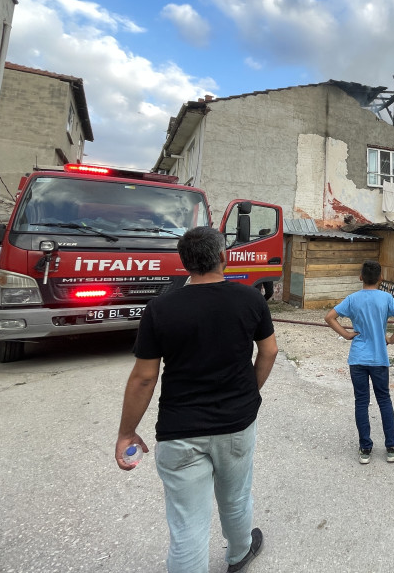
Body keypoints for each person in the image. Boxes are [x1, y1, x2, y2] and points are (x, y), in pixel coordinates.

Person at [116, 226, 279, 573]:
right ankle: (239, 554)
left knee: (188, 524)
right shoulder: (250, 299)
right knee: (235, 496)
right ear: (223, 257)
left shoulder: (159, 309)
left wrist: (126, 433)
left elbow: (145, 377)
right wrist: (250, 392)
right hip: (236, 424)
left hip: (180, 430)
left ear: (184, 263)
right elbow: (269, 351)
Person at [325, 260, 394, 464]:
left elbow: (329, 317)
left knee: (361, 402)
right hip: (379, 358)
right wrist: (392, 339)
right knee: (384, 400)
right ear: (381, 278)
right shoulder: (386, 298)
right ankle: (391, 446)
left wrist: (346, 334)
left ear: (361, 277)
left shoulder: (353, 299)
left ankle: (365, 448)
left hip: (358, 358)